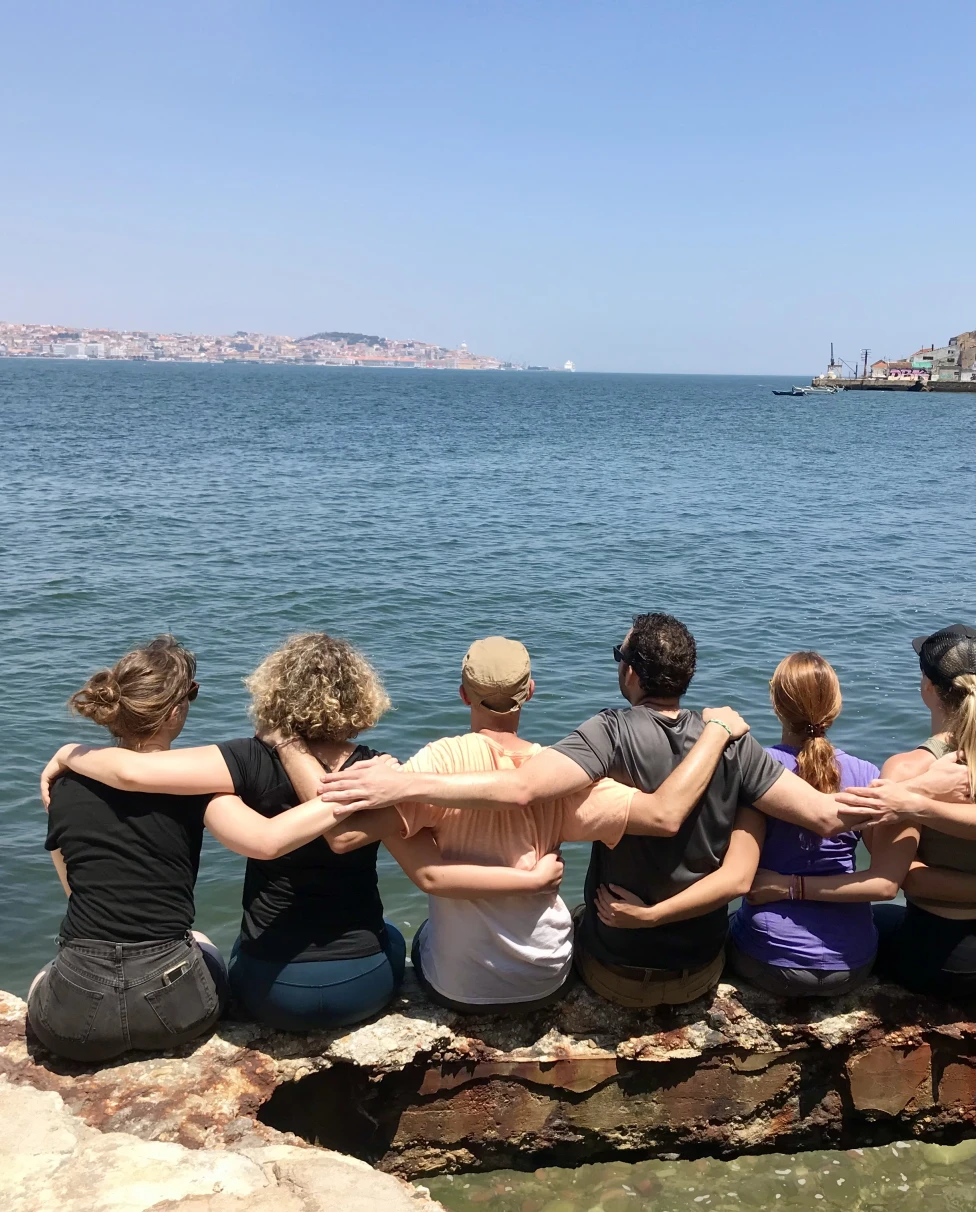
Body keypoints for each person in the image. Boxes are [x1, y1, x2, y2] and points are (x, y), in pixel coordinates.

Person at [319, 614, 886, 1009]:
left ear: (632, 675)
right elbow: (828, 816)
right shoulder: (737, 742)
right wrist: (912, 795)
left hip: (617, 971)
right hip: (703, 972)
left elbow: (524, 788)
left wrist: (406, 782)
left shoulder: (610, 731)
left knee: (583, 917)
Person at [39, 632, 541, 1032]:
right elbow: (410, 863)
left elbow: (140, 771)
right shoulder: (376, 772)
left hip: (269, 988)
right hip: (362, 983)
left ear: (273, 689)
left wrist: (71, 755)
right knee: (392, 937)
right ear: (359, 695)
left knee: (226, 947)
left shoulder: (235, 763)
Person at [279, 635, 753, 1014]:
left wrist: (290, 744)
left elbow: (341, 835)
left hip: (459, 986)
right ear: (530, 691)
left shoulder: (435, 764)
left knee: (416, 935)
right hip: (546, 975)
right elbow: (659, 815)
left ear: (463, 693)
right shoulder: (559, 775)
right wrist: (715, 741)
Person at [30, 635, 367, 1061]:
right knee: (202, 942)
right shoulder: (198, 790)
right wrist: (355, 793)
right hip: (172, 1011)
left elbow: (74, 890)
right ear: (175, 712)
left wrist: (68, 753)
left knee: (49, 975)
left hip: (76, 1021)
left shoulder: (61, 787)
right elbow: (265, 840)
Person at [727, 652, 917, 998]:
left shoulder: (757, 768)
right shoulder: (867, 774)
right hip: (853, 964)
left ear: (775, 703)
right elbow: (885, 884)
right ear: (836, 706)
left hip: (772, 960)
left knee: (722, 928)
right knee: (889, 919)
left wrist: (789, 887)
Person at [834, 625, 976, 998]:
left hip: (940, 958)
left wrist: (915, 801)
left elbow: (899, 880)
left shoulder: (907, 769)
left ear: (928, 688)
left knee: (863, 922)